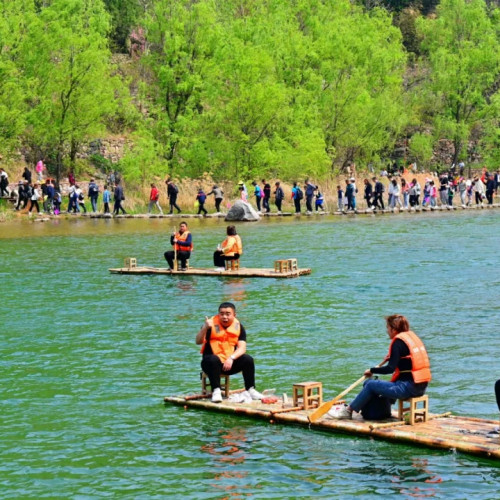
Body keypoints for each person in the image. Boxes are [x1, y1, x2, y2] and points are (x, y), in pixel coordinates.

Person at [327, 314, 431, 420]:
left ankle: (348, 411)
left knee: (371, 384)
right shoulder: (411, 339)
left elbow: (390, 369)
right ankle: (378, 409)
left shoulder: (398, 343)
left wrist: (372, 370)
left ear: (394, 329)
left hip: (407, 387)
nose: (387, 331)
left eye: (388, 328)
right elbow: (407, 362)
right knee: (368, 383)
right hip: (420, 388)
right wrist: (393, 358)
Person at [196, 302, 263, 403]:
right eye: (222, 314)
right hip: (210, 364)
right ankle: (216, 390)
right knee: (213, 359)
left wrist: (231, 358)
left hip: (228, 364)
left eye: (228, 314)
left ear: (234, 315)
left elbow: (242, 348)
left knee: (248, 359)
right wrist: (205, 328)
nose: (224, 317)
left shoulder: (239, 327)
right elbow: (198, 341)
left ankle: (250, 389)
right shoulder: (210, 324)